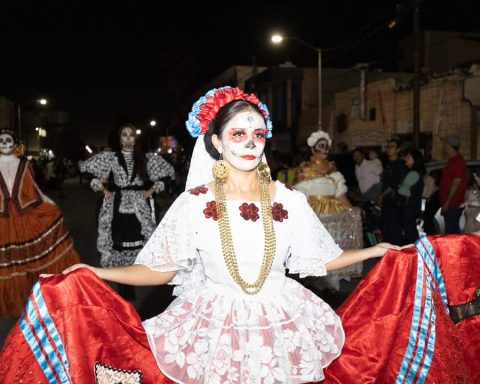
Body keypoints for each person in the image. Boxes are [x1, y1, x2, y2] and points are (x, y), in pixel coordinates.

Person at [0, 88, 399, 383]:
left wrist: (375, 250)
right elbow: (160, 270)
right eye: (238, 135)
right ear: (216, 142)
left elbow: (319, 261)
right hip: (215, 327)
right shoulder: (195, 203)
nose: (249, 143)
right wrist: (96, 272)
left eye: (257, 135)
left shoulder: (289, 200)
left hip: (283, 321)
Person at [79, 123, 175, 299]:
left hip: (139, 207)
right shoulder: (111, 158)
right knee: (119, 245)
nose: (128, 138)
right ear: (120, 138)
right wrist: (103, 190)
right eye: (125, 135)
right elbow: (86, 170)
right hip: (117, 207)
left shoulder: (145, 159)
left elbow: (168, 173)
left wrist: (151, 191)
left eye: (131, 135)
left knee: (138, 243)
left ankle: (133, 282)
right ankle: (125, 291)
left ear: (135, 138)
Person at [0, 129, 80, 317]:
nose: (4, 143)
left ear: (14, 143)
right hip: (3, 218)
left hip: (25, 214)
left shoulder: (25, 164)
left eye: (8, 140)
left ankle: (37, 295)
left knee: (30, 258)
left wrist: (48, 201)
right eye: (1, 140)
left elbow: (34, 188)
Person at [294, 130, 364, 291]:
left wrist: (350, 208)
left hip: (334, 210)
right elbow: (299, 193)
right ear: (313, 148)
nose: (325, 149)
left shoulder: (333, 169)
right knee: (318, 245)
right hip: (315, 210)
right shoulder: (306, 169)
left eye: (326, 146)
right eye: (321, 146)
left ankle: (334, 279)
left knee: (335, 244)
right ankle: (318, 279)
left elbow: (339, 193)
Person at [439, 134, 467, 234]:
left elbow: (456, 182)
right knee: (450, 231)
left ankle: (455, 250)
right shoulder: (452, 161)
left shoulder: (458, 161)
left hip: (453, 204)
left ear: (449, 146)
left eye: (445, 144)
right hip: (450, 203)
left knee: (452, 233)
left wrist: (447, 202)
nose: (444, 147)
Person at [396, 148, 425, 244]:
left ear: (414, 159)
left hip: (409, 207)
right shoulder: (418, 172)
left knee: (411, 234)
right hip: (413, 206)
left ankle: (417, 253)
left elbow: (402, 191)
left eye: (408, 157)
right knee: (411, 232)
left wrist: (401, 186)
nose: (406, 159)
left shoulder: (413, 173)